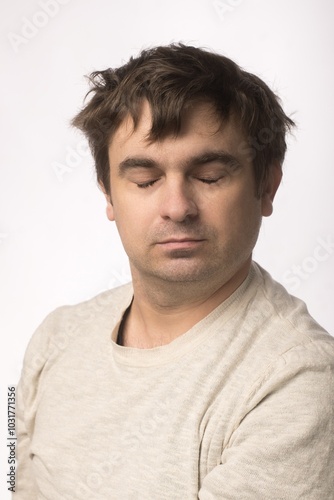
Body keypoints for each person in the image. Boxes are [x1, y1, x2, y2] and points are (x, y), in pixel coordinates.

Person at [14, 44, 334, 499]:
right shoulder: (53, 339)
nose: (177, 208)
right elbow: (11, 474)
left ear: (266, 186)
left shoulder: (298, 380)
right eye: (145, 180)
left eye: (209, 176)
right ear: (108, 193)